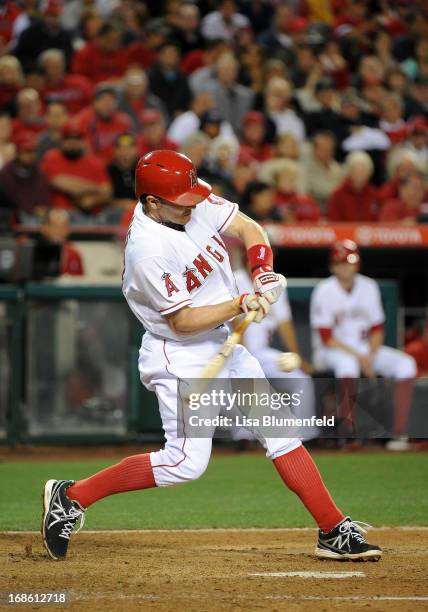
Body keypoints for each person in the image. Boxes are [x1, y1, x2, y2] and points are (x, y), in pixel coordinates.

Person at [41, 149, 381, 563]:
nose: (193, 205)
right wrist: (242, 302)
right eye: (182, 202)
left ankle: (332, 529)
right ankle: (71, 496)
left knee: (279, 431)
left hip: (224, 343)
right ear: (152, 202)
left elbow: (249, 227)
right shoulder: (147, 249)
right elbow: (183, 321)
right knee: (184, 464)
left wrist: (262, 271)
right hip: (179, 351)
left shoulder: (187, 202)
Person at [310, 240, 416, 451]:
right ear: (332, 266)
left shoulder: (369, 286)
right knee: (347, 365)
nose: (344, 267)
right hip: (332, 350)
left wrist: (369, 355)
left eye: (349, 262)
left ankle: (399, 431)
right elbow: (326, 337)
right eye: (340, 263)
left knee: (406, 364)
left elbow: (377, 329)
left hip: (366, 348)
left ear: (357, 264)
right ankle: (348, 431)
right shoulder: (324, 290)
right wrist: (362, 358)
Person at [40, 122, 111, 218]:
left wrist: (92, 200)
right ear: (61, 141)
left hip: (91, 216)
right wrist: (96, 188)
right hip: (59, 215)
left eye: (77, 139)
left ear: (83, 141)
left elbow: (107, 192)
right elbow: (60, 182)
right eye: (68, 139)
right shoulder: (51, 157)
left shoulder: (95, 162)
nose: (72, 143)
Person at [0, 131, 51, 222]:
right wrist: (31, 209)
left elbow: (44, 200)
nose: (30, 156)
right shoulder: (5, 173)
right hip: (14, 216)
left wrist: (43, 209)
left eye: (33, 152)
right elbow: (11, 200)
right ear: (17, 153)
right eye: (27, 152)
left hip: (39, 217)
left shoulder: (39, 173)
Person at [327, 151, 379, 222]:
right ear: (349, 171)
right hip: (343, 232)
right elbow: (333, 221)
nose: (360, 172)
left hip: (368, 232)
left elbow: (377, 220)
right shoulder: (338, 195)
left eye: (363, 169)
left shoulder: (373, 194)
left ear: (369, 172)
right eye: (356, 168)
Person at [107, 133, 138, 211]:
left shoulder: (142, 169)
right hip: (115, 212)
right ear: (115, 151)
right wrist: (122, 203)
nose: (125, 153)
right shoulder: (109, 170)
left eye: (128, 149)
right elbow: (104, 199)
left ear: (135, 150)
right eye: (121, 149)